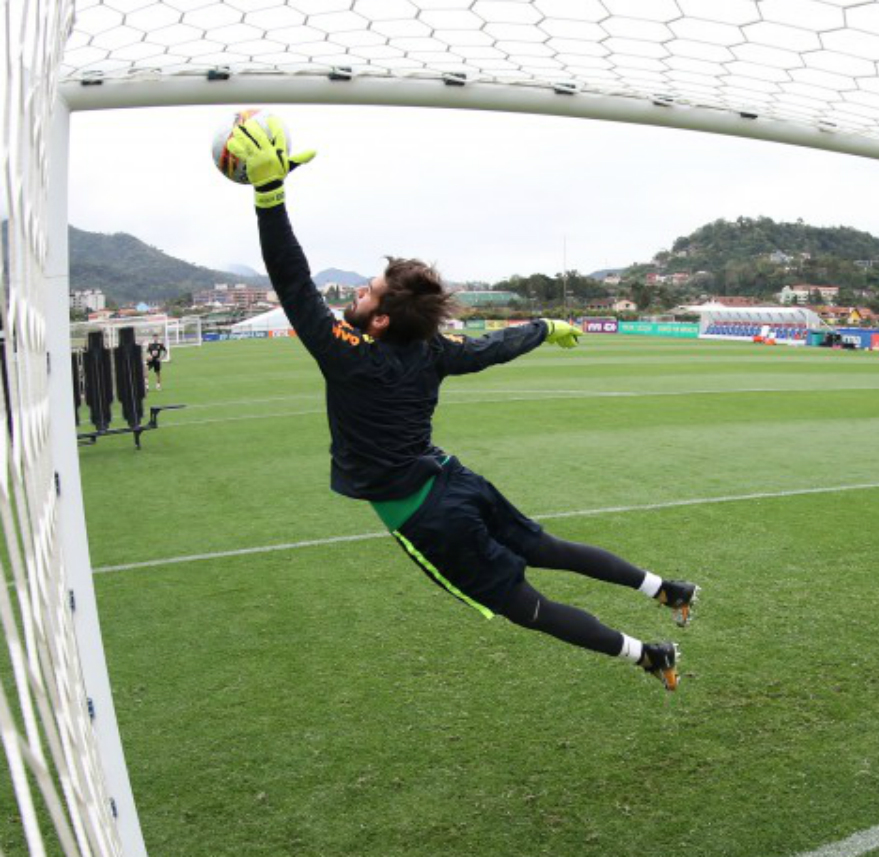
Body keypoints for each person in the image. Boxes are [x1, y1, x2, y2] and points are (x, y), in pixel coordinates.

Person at [226, 116, 700, 696]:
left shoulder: (352, 355)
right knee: (543, 548)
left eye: (366, 290)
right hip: (455, 480)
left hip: (428, 516)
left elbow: (293, 285)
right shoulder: (428, 350)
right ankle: (665, 589)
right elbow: (486, 349)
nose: (355, 292)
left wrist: (270, 198)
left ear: (378, 320)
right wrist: (543, 325)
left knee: (523, 606)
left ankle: (648, 654)